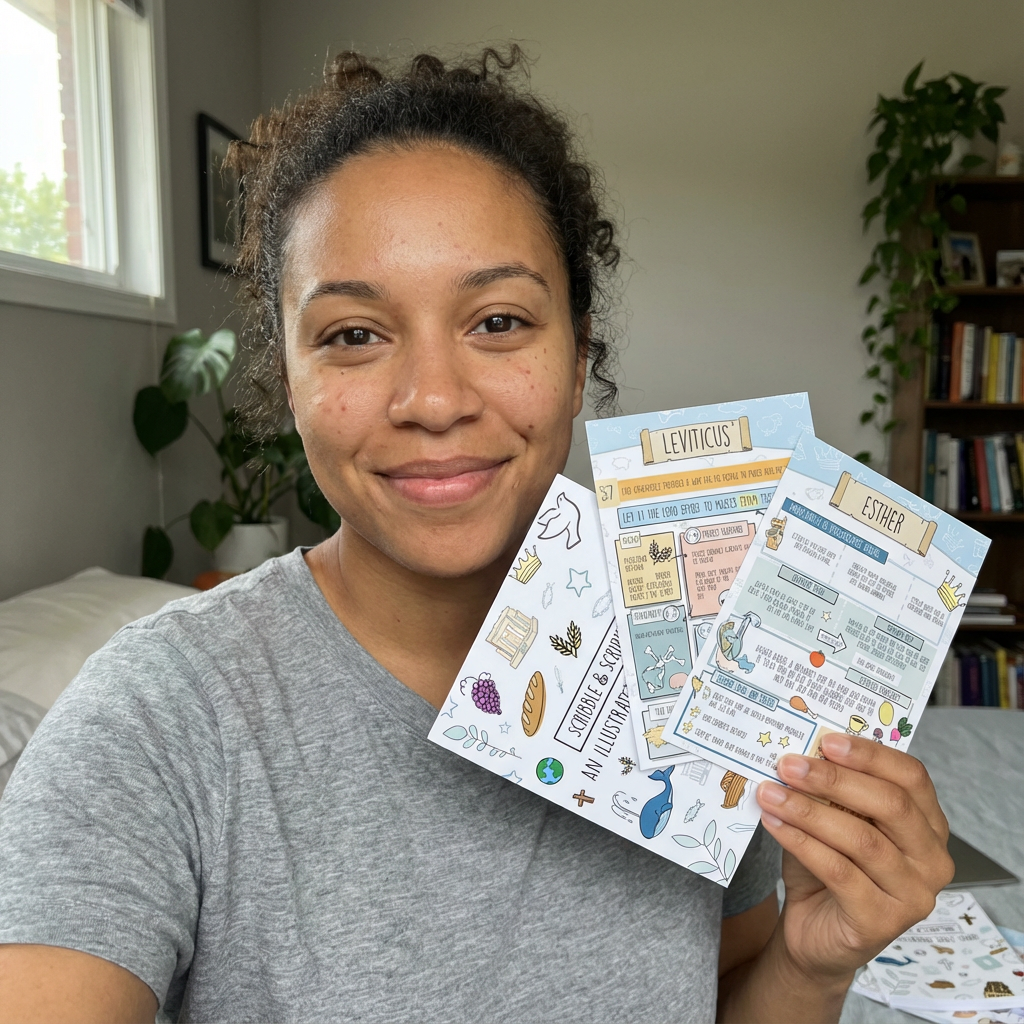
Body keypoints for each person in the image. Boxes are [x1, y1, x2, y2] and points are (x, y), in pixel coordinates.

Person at [0, 49, 953, 1024]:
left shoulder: (698, 660)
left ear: (576, 362)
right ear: (289, 379)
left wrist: (811, 966)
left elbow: (721, 992)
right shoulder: (155, 719)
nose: (434, 399)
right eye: (354, 334)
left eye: (497, 321)